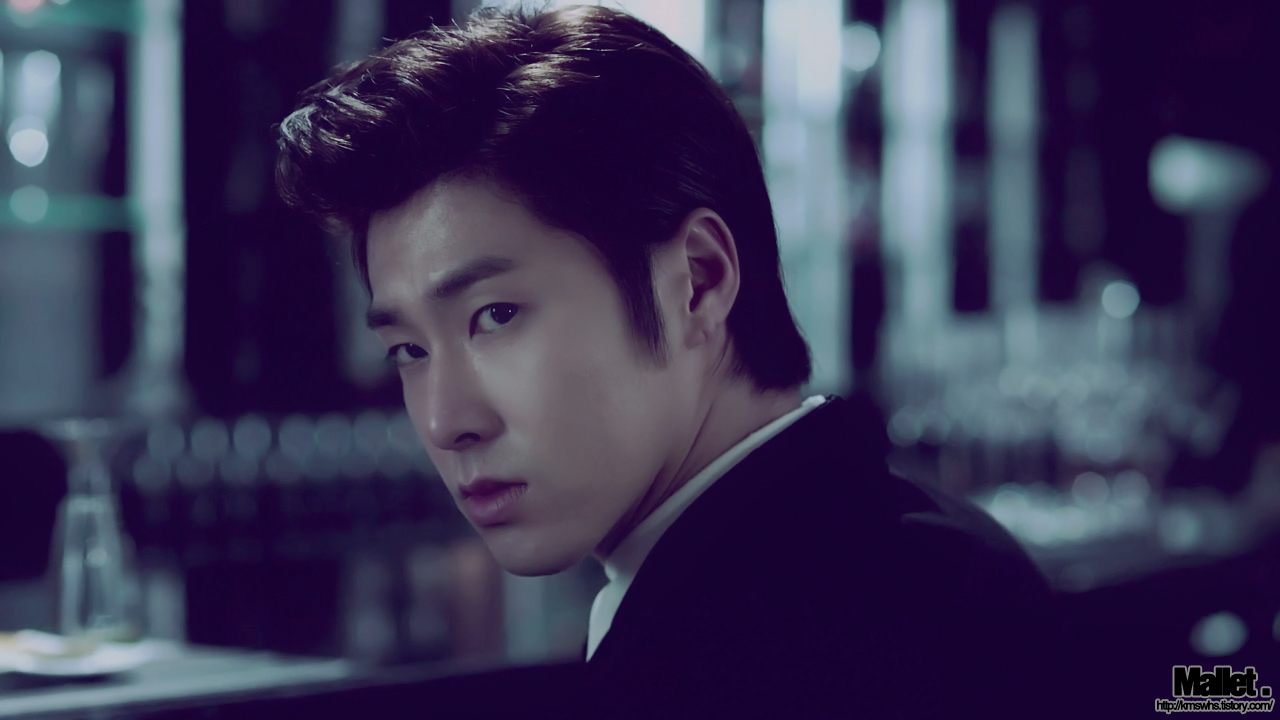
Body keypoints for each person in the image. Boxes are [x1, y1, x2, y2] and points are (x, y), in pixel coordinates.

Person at [274, 5, 1059, 717]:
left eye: (496, 316)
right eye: (408, 350)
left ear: (698, 282)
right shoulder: (901, 548)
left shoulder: (788, 649)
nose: (446, 421)